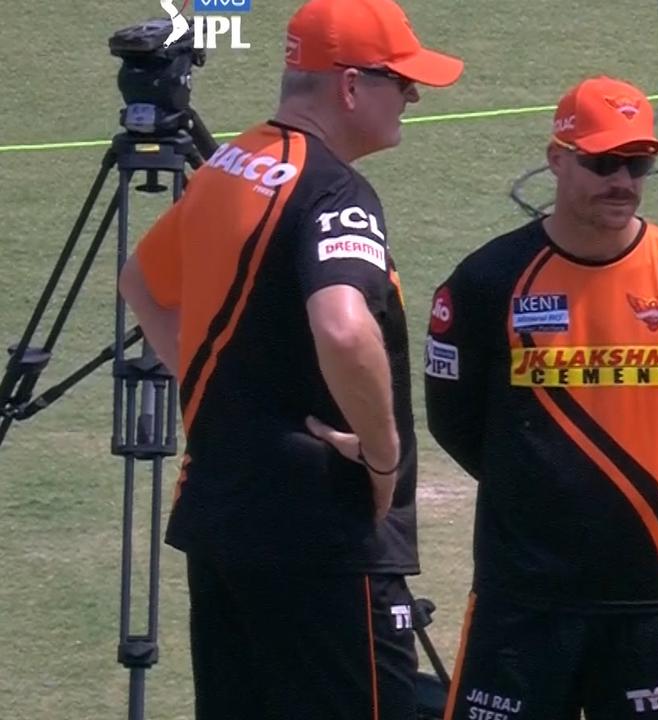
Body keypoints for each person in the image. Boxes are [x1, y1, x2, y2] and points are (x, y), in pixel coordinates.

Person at [116, 0, 463, 716]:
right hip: (321, 538)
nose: (413, 96)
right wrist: (382, 452)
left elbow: (142, 280)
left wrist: (224, 398)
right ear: (348, 86)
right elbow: (342, 326)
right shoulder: (335, 190)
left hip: (225, 518)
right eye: (400, 80)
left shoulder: (233, 163)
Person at [424, 75, 658, 720]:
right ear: (557, 159)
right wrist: (530, 481)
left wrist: (648, 479)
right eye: (601, 163)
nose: (622, 180)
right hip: (524, 588)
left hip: (652, 578)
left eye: (637, 164)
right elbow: (453, 419)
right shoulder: (487, 282)